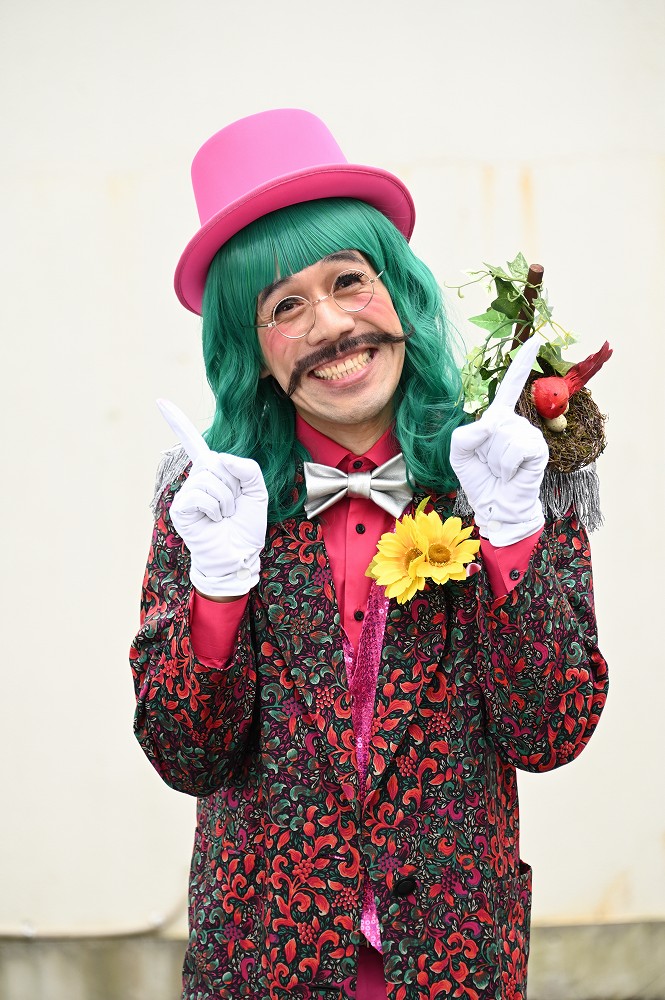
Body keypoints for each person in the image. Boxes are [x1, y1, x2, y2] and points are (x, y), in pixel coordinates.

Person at [130, 109, 608, 1000]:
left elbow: (550, 732)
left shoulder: (503, 468)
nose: (331, 326)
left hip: (453, 962)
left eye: (349, 280)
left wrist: (511, 535)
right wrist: (218, 589)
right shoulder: (210, 503)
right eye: (284, 307)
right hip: (263, 963)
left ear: (399, 294)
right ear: (250, 352)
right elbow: (184, 756)